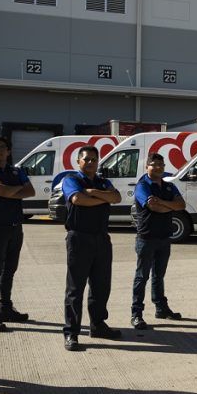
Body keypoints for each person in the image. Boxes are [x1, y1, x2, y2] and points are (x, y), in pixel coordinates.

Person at [61, 145, 122, 351]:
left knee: (101, 285)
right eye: (86, 159)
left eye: (94, 160)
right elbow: (78, 199)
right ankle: (71, 332)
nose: (90, 163)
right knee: (75, 288)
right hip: (79, 238)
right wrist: (102, 197)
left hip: (101, 238)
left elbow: (117, 198)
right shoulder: (71, 180)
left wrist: (93, 192)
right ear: (78, 161)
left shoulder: (103, 181)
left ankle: (98, 325)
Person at [0, 136, 36, 332]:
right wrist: (16, 189)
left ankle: (5, 308)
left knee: (9, 270)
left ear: (8, 152)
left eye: (1, 148)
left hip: (14, 226)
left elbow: (31, 191)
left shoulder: (17, 171)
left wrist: (9, 191)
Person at [131, 152, 186, 330]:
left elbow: (181, 205)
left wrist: (163, 204)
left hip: (164, 237)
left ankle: (161, 308)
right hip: (146, 238)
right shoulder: (142, 186)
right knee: (142, 276)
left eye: (161, 165)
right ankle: (136, 314)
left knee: (158, 276)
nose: (158, 168)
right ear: (147, 167)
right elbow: (152, 206)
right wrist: (168, 205)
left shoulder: (169, 186)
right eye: (154, 165)